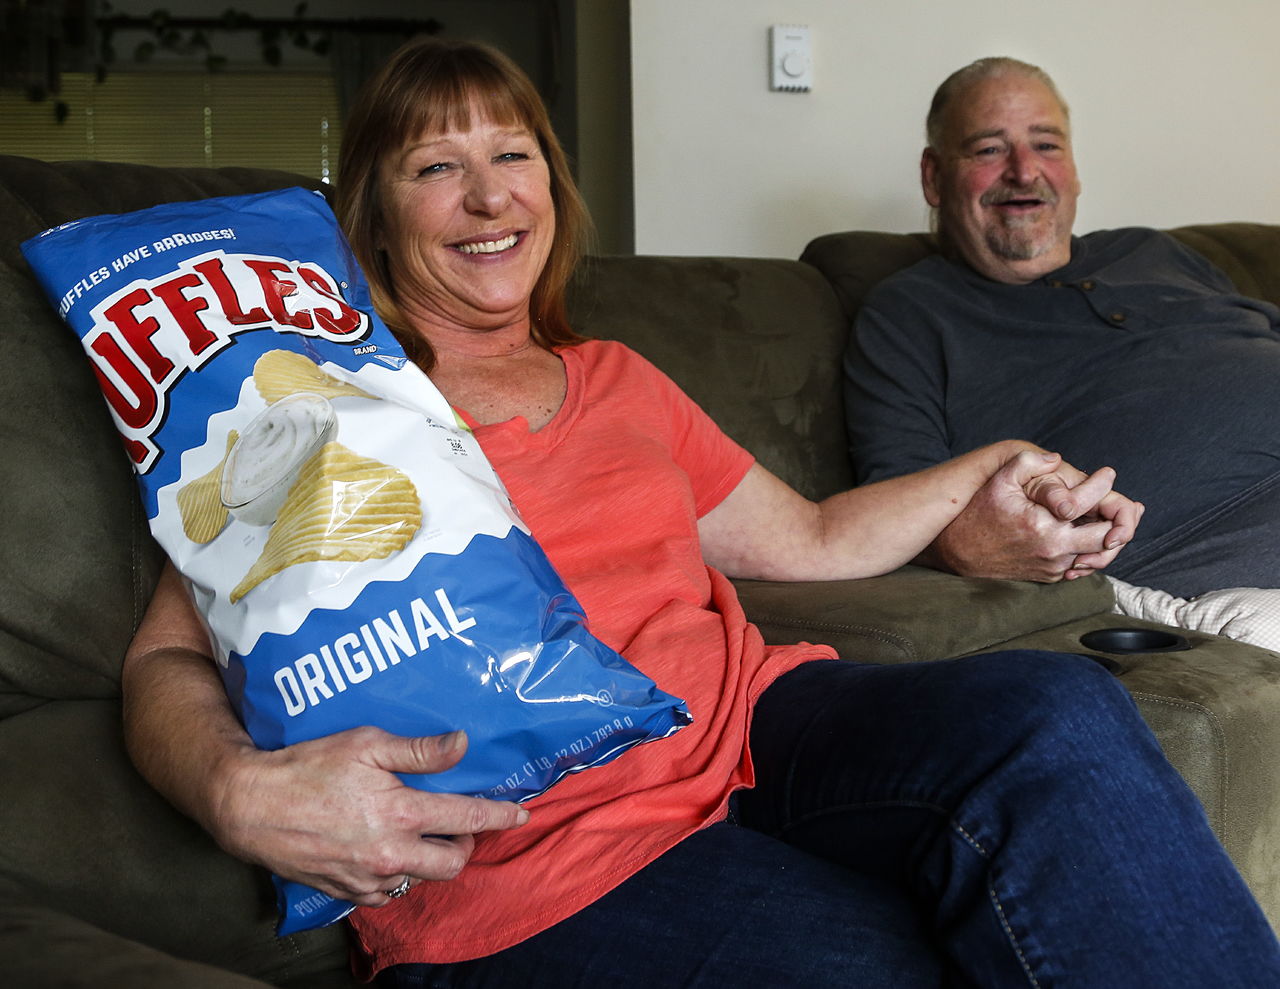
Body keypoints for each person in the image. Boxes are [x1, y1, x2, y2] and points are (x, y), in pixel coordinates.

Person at [122, 38, 1280, 987]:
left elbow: (815, 536)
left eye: (511, 154)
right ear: (373, 211)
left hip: (755, 731)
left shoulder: (620, 377)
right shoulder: (318, 409)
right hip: (541, 852)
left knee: (1054, 708)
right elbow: (167, 656)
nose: (487, 197)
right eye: (435, 166)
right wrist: (236, 788)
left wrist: (1002, 459)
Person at [842, 56, 1280, 610]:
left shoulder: (1154, 250)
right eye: (988, 149)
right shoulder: (908, 315)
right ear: (933, 176)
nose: (1025, 171)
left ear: (1073, 168)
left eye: (1047, 145)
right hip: (1216, 555)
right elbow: (897, 513)